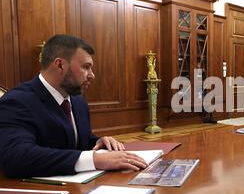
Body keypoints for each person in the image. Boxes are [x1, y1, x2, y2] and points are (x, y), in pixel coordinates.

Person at [0, 34, 148, 178]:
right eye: (86, 67)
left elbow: (76, 141)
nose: (92, 75)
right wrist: (94, 160)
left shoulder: (77, 101)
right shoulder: (16, 101)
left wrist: (98, 142)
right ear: (60, 65)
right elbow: (15, 157)